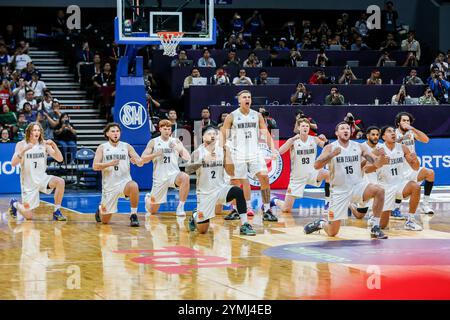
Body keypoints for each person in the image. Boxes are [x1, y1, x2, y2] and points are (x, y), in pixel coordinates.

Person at [304, 122, 387, 239]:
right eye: (342, 128)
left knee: (379, 190)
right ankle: (321, 223)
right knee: (333, 232)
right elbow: (317, 165)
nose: (346, 130)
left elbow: (375, 162)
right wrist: (332, 155)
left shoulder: (359, 147)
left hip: (358, 186)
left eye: (348, 128)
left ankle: (375, 227)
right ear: (337, 133)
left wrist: (381, 157)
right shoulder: (330, 147)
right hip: (339, 190)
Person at [186, 125, 256, 236]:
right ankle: (195, 215)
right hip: (205, 194)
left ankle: (245, 224)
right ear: (203, 137)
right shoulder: (198, 152)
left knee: (238, 191)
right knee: (203, 230)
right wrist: (203, 161)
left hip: (220, 189)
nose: (212, 136)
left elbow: (231, 172)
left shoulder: (221, 151)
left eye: (214, 134)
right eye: (209, 134)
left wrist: (227, 153)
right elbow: (187, 169)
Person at [220, 90, 279, 222]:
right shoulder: (232, 116)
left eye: (249, 97)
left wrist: (273, 149)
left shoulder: (257, 115)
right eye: (244, 97)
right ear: (239, 100)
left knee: (264, 177)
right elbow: (223, 135)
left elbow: (265, 133)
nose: (247, 99)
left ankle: (267, 209)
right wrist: (222, 151)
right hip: (237, 152)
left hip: (254, 152)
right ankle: (235, 210)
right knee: (235, 182)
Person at [365, 126, 423, 231]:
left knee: (416, 187)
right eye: (389, 131)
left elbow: (416, 167)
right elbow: (366, 169)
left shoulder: (403, 147)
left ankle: (410, 221)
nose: (393, 133)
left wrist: (415, 160)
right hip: (385, 187)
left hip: (400, 183)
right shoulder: (378, 151)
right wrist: (378, 164)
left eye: (393, 131)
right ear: (383, 136)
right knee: (383, 226)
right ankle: (374, 216)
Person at [8, 122, 66, 221]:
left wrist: (54, 146)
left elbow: (60, 159)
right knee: (29, 216)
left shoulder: (44, 144)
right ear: (29, 132)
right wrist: (24, 150)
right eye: (34, 130)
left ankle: (57, 211)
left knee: (60, 182)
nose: (37, 132)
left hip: (42, 178)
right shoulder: (21, 144)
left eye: (38, 130)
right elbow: (13, 163)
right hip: (28, 183)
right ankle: (14, 204)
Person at [271, 118, 330, 213]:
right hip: (297, 177)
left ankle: (328, 203)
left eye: (307, 126)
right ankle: (274, 200)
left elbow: (328, 147)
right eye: (303, 126)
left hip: (312, 174)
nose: (305, 128)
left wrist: (326, 140)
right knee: (286, 209)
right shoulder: (293, 140)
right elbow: (280, 151)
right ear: (299, 127)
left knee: (328, 174)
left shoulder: (314, 139)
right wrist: (291, 140)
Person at [93, 123, 143, 227]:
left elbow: (140, 162)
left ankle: (133, 215)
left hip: (124, 183)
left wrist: (136, 161)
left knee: (134, 185)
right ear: (107, 134)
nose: (116, 133)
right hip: (109, 186)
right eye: (113, 131)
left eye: (117, 131)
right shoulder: (102, 147)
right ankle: (100, 209)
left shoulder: (126, 146)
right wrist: (109, 164)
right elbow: (95, 166)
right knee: (105, 221)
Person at [141, 120, 191, 216]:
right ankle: (148, 199)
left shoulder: (176, 141)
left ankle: (180, 207)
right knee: (153, 211)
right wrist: (156, 154)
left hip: (174, 174)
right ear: (160, 129)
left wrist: (178, 148)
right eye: (165, 129)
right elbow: (143, 159)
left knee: (185, 177)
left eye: (169, 129)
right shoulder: (153, 142)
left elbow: (187, 158)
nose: (167, 131)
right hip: (160, 177)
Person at [394, 112, 435, 215]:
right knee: (399, 192)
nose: (406, 122)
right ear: (398, 123)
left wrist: (412, 129)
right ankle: (396, 207)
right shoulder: (393, 133)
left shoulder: (411, 133)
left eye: (408, 120)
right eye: (404, 120)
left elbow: (426, 140)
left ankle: (425, 205)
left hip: (412, 168)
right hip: (398, 170)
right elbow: (391, 145)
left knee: (430, 173)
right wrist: (402, 139)